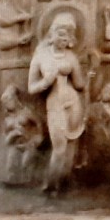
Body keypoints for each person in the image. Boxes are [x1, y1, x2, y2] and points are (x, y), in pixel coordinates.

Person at [28, 10, 86, 193]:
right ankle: (50, 184)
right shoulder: (41, 57)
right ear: (51, 34)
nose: (64, 37)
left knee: (71, 147)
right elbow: (31, 88)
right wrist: (46, 82)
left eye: (68, 35)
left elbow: (79, 84)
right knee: (59, 146)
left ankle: (63, 185)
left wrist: (88, 76)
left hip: (73, 102)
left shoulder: (71, 57)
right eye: (60, 33)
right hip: (54, 104)